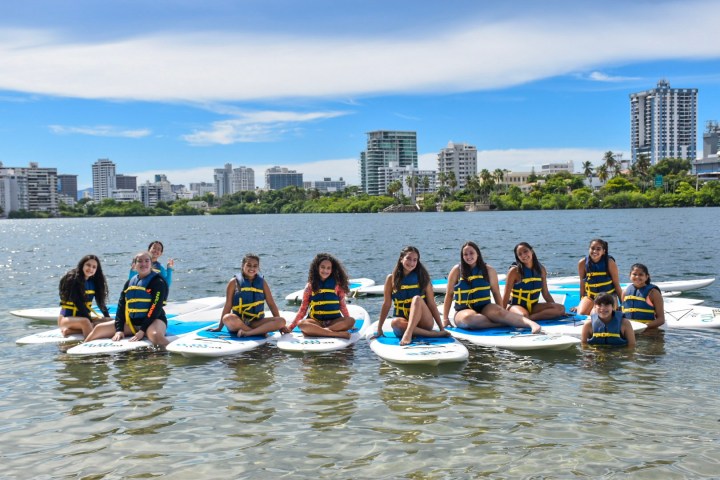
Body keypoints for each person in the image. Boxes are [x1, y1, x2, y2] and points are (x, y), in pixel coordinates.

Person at [442, 241, 542, 333]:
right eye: (465, 254)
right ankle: (499, 324)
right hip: (463, 310)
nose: (469, 256)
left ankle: (531, 324)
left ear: (478, 254)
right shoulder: (456, 270)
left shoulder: (489, 270)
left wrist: (502, 311)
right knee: (470, 319)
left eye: (471, 253)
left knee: (500, 313)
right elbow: (449, 294)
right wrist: (445, 319)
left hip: (485, 307)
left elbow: (496, 293)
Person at [84, 251, 170, 347]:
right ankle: (78, 352)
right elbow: (121, 306)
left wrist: (143, 330)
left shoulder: (158, 282)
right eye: (140, 261)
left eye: (147, 261)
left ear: (151, 263)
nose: (143, 264)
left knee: (155, 336)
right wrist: (119, 329)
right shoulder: (130, 282)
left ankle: (172, 355)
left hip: (154, 321)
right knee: (98, 329)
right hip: (132, 323)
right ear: (134, 264)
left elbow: (155, 308)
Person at [376, 246, 449, 345]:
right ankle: (432, 334)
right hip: (403, 321)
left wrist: (441, 328)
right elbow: (386, 304)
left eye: (415, 260)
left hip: (424, 321)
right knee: (395, 323)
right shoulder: (391, 279)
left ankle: (409, 333)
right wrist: (379, 328)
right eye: (408, 258)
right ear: (401, 258)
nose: (411, 263)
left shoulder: (423, 278)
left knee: (417, 299)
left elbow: (432, 304)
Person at [209, 253, 285, 336]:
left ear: (258, 268)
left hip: (256, 322)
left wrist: (281, 327)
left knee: (281, 321)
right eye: (249, 265)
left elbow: (271, 304)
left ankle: (248, 333)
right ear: (243, 266)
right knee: (227, 318)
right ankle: (258, 332)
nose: (252, 268)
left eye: (255, 266)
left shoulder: (262, 283)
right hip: (238, 322)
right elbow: (228, 305)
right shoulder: (233, 282)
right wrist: (220, 327)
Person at [282, 253, 355, 339]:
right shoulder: (310, 286)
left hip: (334, 322)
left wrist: (350, 324)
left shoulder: (337, 285)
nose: (325, 270)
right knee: (302, 324)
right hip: (316, 321)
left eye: (328, 268)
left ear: (332, 270)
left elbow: (342, 306)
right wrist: (291, 327)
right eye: (322, 267)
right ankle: (336, 334)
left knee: (351, 321)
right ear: (317, 268)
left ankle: (318, 331)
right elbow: (303, 309)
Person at [502, 242, 565, 320]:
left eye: (525, 251)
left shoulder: (541, 270)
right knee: (524, 315)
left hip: (533, 306)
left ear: (531, 251)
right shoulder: (514, 271)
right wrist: (501, 314)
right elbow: (506, 295)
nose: (523, 255)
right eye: (520, 254)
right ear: (517, 257)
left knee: (561, 309)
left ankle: (531, 318)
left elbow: (545, 293)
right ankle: (526, 317)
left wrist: (555, 308)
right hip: (516, 306)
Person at [58, 254, 112, 338]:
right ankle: (90, 343)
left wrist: (107, 318)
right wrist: (90, 321)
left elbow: (100, 303)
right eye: (88, 265)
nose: (90, 269)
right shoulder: (72, 279)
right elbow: (78, 303)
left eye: (94, 267)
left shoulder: (94, 282)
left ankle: (70, 331)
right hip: (66, 319)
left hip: (83, 318)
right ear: (82, 265)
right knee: (86, 322)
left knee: (110, 321)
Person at [575, 238, 622, 315]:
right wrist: (580, 303)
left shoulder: (609, 262)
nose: (595, 251)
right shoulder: (582, 263)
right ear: (589, 249)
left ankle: (599, 306)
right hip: (591, 296)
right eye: (592, 248)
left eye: (598, 249)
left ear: (603, 251)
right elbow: (582, 283)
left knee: (600, 314)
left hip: (608, 296)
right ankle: (592, 305)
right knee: (581, 313)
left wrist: (623, 305)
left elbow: (616, 284)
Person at [621, 263, 665, 329]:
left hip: (648, 332)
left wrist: (644, 327)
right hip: (629, 331)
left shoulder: (653, 293)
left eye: (641, 274)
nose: (637, 277)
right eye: (634, 274)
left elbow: (661, 319)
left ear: (647, 276)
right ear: (630, 275)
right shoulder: (625, 292)